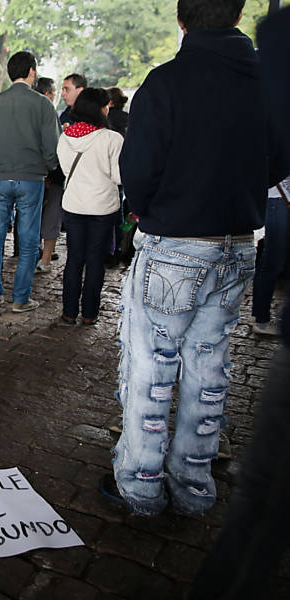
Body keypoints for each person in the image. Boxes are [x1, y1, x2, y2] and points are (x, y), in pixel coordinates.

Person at [101, 0, 282, 517]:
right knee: (209, 368)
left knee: (152, 370)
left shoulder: (166, 81)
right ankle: (194, 485)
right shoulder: (266, 81)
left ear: (182, 20)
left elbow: (139, 171)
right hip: (238, 242)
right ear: (238, 14)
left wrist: (155, 212)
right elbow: (280, 157)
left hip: (175, 242)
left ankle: (140, 486)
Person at [187, 7, 290, 596]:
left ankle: (155, 481)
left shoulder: (175, 79)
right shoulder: (258, 68)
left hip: (183, 230)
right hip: (236, 229)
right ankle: (194, 469)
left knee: (160, 361)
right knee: (208, 355)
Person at [0, 51, 60, 313]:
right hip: (31, 179)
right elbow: (52, 148)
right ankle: (21, 299)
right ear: (32, 72)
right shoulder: (43, 104)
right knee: (27, 239)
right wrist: (47, 168)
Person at [56, 87, 122, 326]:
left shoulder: (66, 138)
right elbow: (119, 176)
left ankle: (69, 312)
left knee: (74, 259)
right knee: (95, 260)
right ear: (100, 109)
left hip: (74, 205)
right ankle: (90, 314)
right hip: (102, 208)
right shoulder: (112, 139)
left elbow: (65, 170)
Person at [250, 182, 288, 336]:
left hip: (280, 198)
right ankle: (261, 319)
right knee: (273, 260)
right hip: (278, 198)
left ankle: (262, 317)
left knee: (275, 259)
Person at [36, 78, 66, 273]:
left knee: (32, 216)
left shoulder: (26, 113)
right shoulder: (49, 113)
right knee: (51, 217)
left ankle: (35, 254)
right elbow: (53, 146)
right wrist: (49, 169)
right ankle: (44, 259)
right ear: (48, 94)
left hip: (33, 173)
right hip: (50, 174)